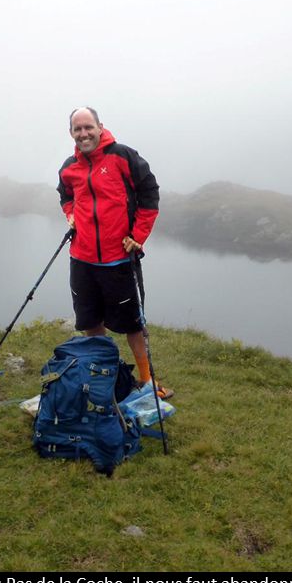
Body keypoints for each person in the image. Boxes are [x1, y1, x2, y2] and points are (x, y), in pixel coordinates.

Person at [57, 107, 174, 399]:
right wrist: (70, 214)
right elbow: (65, 195)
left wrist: (138, 235)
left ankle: (147, 380)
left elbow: (150, 193)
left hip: (118, 258)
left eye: (88, 127)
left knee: (132, 323)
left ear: (100, 127)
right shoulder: (69, 166)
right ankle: (106, 376)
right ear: (71, 133)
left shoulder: (123, 157)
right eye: (77, 129)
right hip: (81, 258)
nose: (83, 133)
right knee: (89, 320)